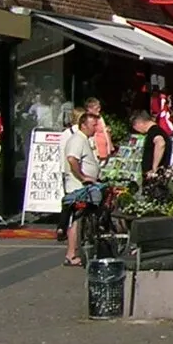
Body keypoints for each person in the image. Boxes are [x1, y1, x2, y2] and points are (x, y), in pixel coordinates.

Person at [61, 109, 104, 267]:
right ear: (84, 125)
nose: (96, 128)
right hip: (78, 187)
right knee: (76, 220)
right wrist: (82, 177)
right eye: (93, 125)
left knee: (80, 220)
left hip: (85, 186)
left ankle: (76, 251)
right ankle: (71, 254)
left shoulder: (84, 139)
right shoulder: (77, 139)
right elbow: (72, 159)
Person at [132, 109, 171, 180]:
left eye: (135, 127)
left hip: (154, 178)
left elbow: (160, 143)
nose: (137, 130)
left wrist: (154, 168)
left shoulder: (154, 131)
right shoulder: (156, 130)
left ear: (139, 123)